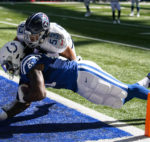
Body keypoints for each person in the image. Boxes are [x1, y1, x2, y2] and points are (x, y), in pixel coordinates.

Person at [0, 40, 150, 121]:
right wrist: (4, 115)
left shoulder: (29, 61)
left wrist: (25, 96)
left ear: (16, 55)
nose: (9, 69)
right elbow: (22, 105)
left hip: (84, 73)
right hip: (79, 86)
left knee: (125, 92)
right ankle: (145, 81)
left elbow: (40, 93)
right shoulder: (26, 70)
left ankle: (142, 85)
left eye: (8, 64)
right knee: (119, 99)